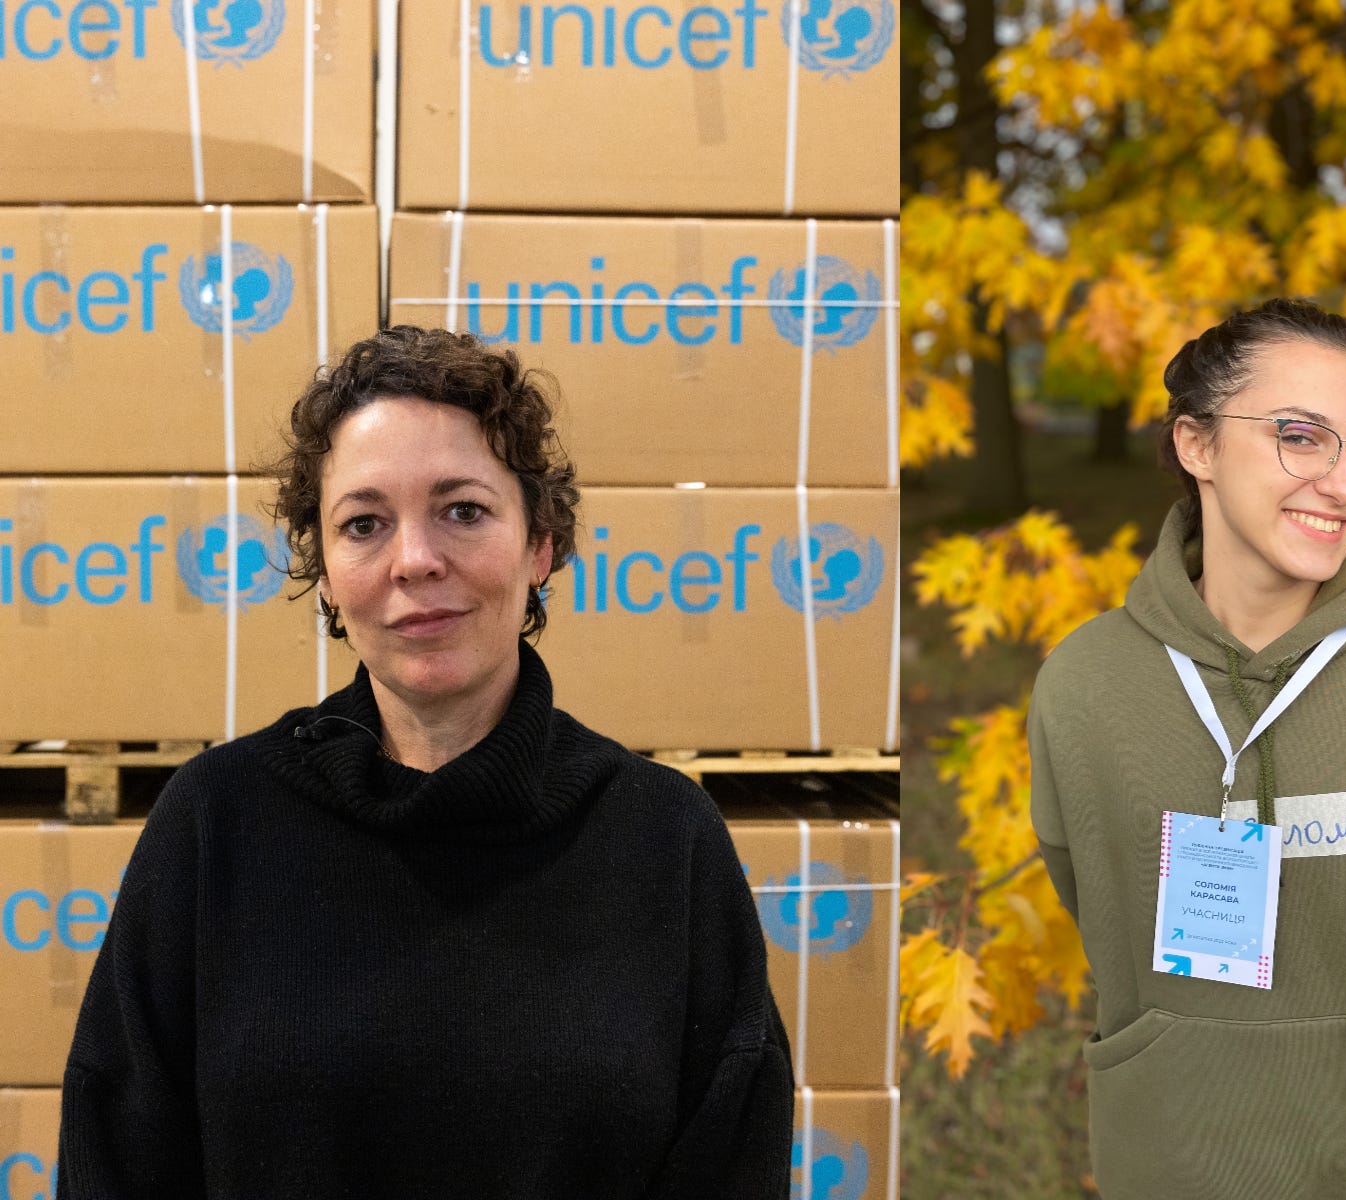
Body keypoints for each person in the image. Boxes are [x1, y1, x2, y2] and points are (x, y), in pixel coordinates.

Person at [58, 327, 794, 1198]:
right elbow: (117, 1163)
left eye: (463, 510)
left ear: (540, 545)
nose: (414, 560)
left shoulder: (664, 840)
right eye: (364, 524)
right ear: (324, 572)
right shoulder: (215, 823)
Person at [1028, 298, 1346, 1199]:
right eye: (1302, 436)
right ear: (1197, 446)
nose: (1344, 482)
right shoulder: (1084, 683)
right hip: (1177, 1137)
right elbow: (1095, 896)